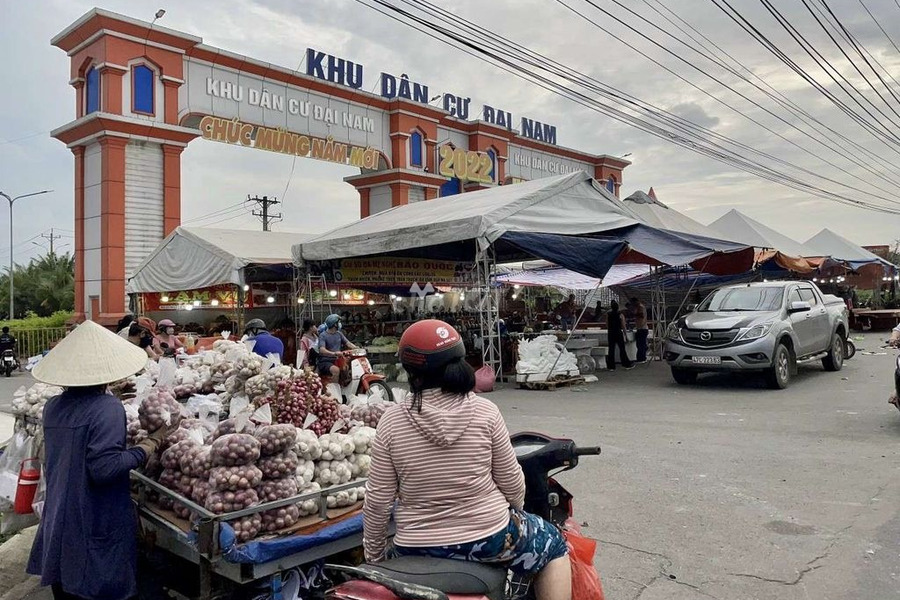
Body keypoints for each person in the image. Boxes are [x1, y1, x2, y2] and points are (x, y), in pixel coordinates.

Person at [363, 320, 571, 600]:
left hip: (415, 546)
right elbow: (512, 483)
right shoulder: (486, 411)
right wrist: (516, 512)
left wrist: (375, 558)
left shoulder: (392, 421)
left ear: (411, 370)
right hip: (489, 538)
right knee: (555, 544)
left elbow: (377, 501)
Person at [27, 320, 176, 600]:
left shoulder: (53, 406)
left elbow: (79, 436)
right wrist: (151, 443)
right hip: (95, 515)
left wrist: (110, 399)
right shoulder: (106, 408)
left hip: (61, 513)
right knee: (99, 584)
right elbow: (104, 469)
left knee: (67, 584)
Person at [317, 313, 357, 380]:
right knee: (336, 371)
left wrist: (357, 348)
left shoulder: (339, 334)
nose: (340, 324)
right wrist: (334, 353)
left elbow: (348, 343)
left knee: (348, 368)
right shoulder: (323, 335)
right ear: (334, 324)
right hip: (326, 361)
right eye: (339, 322)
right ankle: (335, 389)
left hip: (338, 359)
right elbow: (322, 349)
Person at [606, 300, 633, 370]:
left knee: (611, 349)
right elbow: (623, 326)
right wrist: (625, 335)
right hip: (618, 332)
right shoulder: (620, 315)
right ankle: (626, 364)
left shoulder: (608, 314)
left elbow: (607, 324)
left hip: (611, 333)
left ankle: (611, 366)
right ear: (618, 308)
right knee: (622, 349)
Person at [630, 297, 650, 363]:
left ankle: (642, 358)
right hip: (640, 328)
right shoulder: (639, 307)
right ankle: (640, 357)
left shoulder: (640, 307)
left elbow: (640, 315)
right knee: (640, 344)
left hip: (642, 328)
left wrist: (634, 313)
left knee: (641, 344)